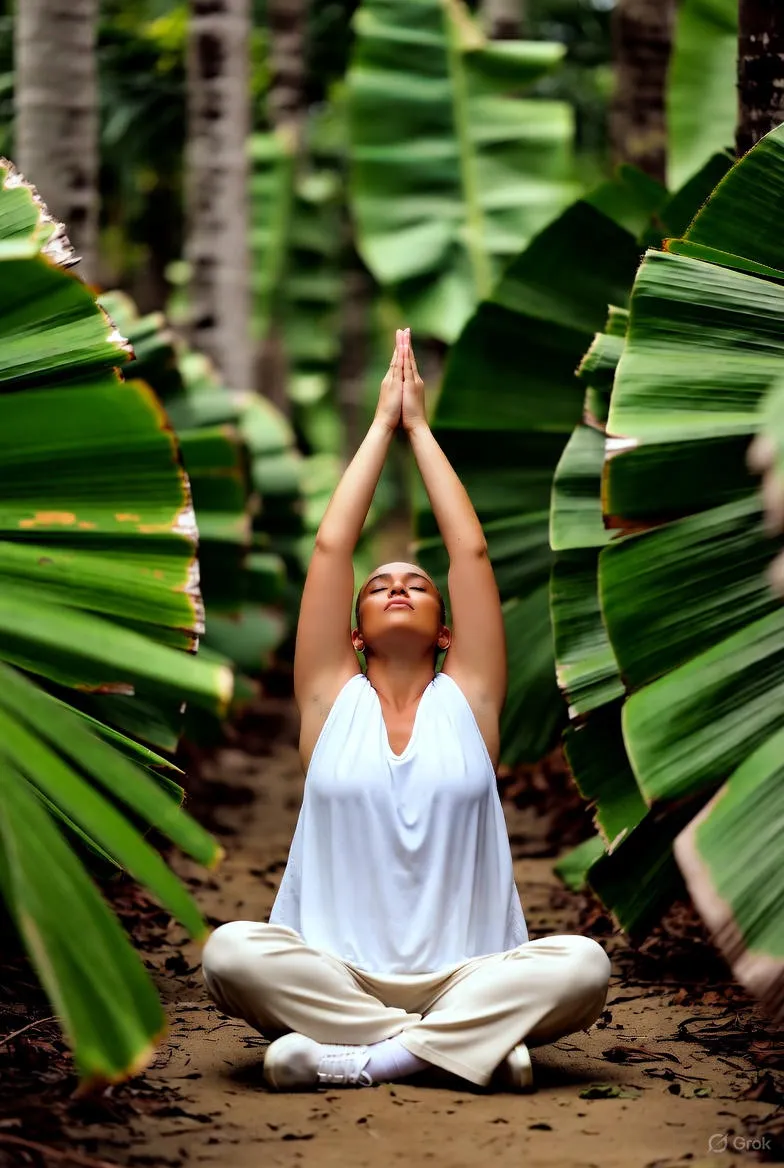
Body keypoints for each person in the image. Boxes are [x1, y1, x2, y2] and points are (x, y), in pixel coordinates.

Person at [201, 328, 611, 1094]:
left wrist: (420, 429)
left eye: (417, 584)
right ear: (352, 632)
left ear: (446, 630)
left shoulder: (472, 699)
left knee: (584, 966)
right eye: (381, 583)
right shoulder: (330, 700)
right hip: (336, 973)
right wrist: (380, 426)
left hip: (470, 972)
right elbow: (330, 549)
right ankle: (459, 1051)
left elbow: (472, 555)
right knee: (230, 952)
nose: (397, 585)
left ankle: (370, 1057)